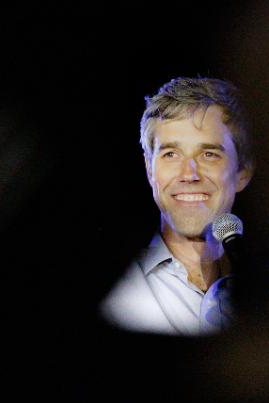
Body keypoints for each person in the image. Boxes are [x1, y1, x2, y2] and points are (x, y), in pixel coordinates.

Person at [102, 77, 254, 335]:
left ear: (242, 172)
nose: (189, 173)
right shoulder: (114, 288)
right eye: (171, 154)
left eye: (209, 154)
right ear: (150, 168)